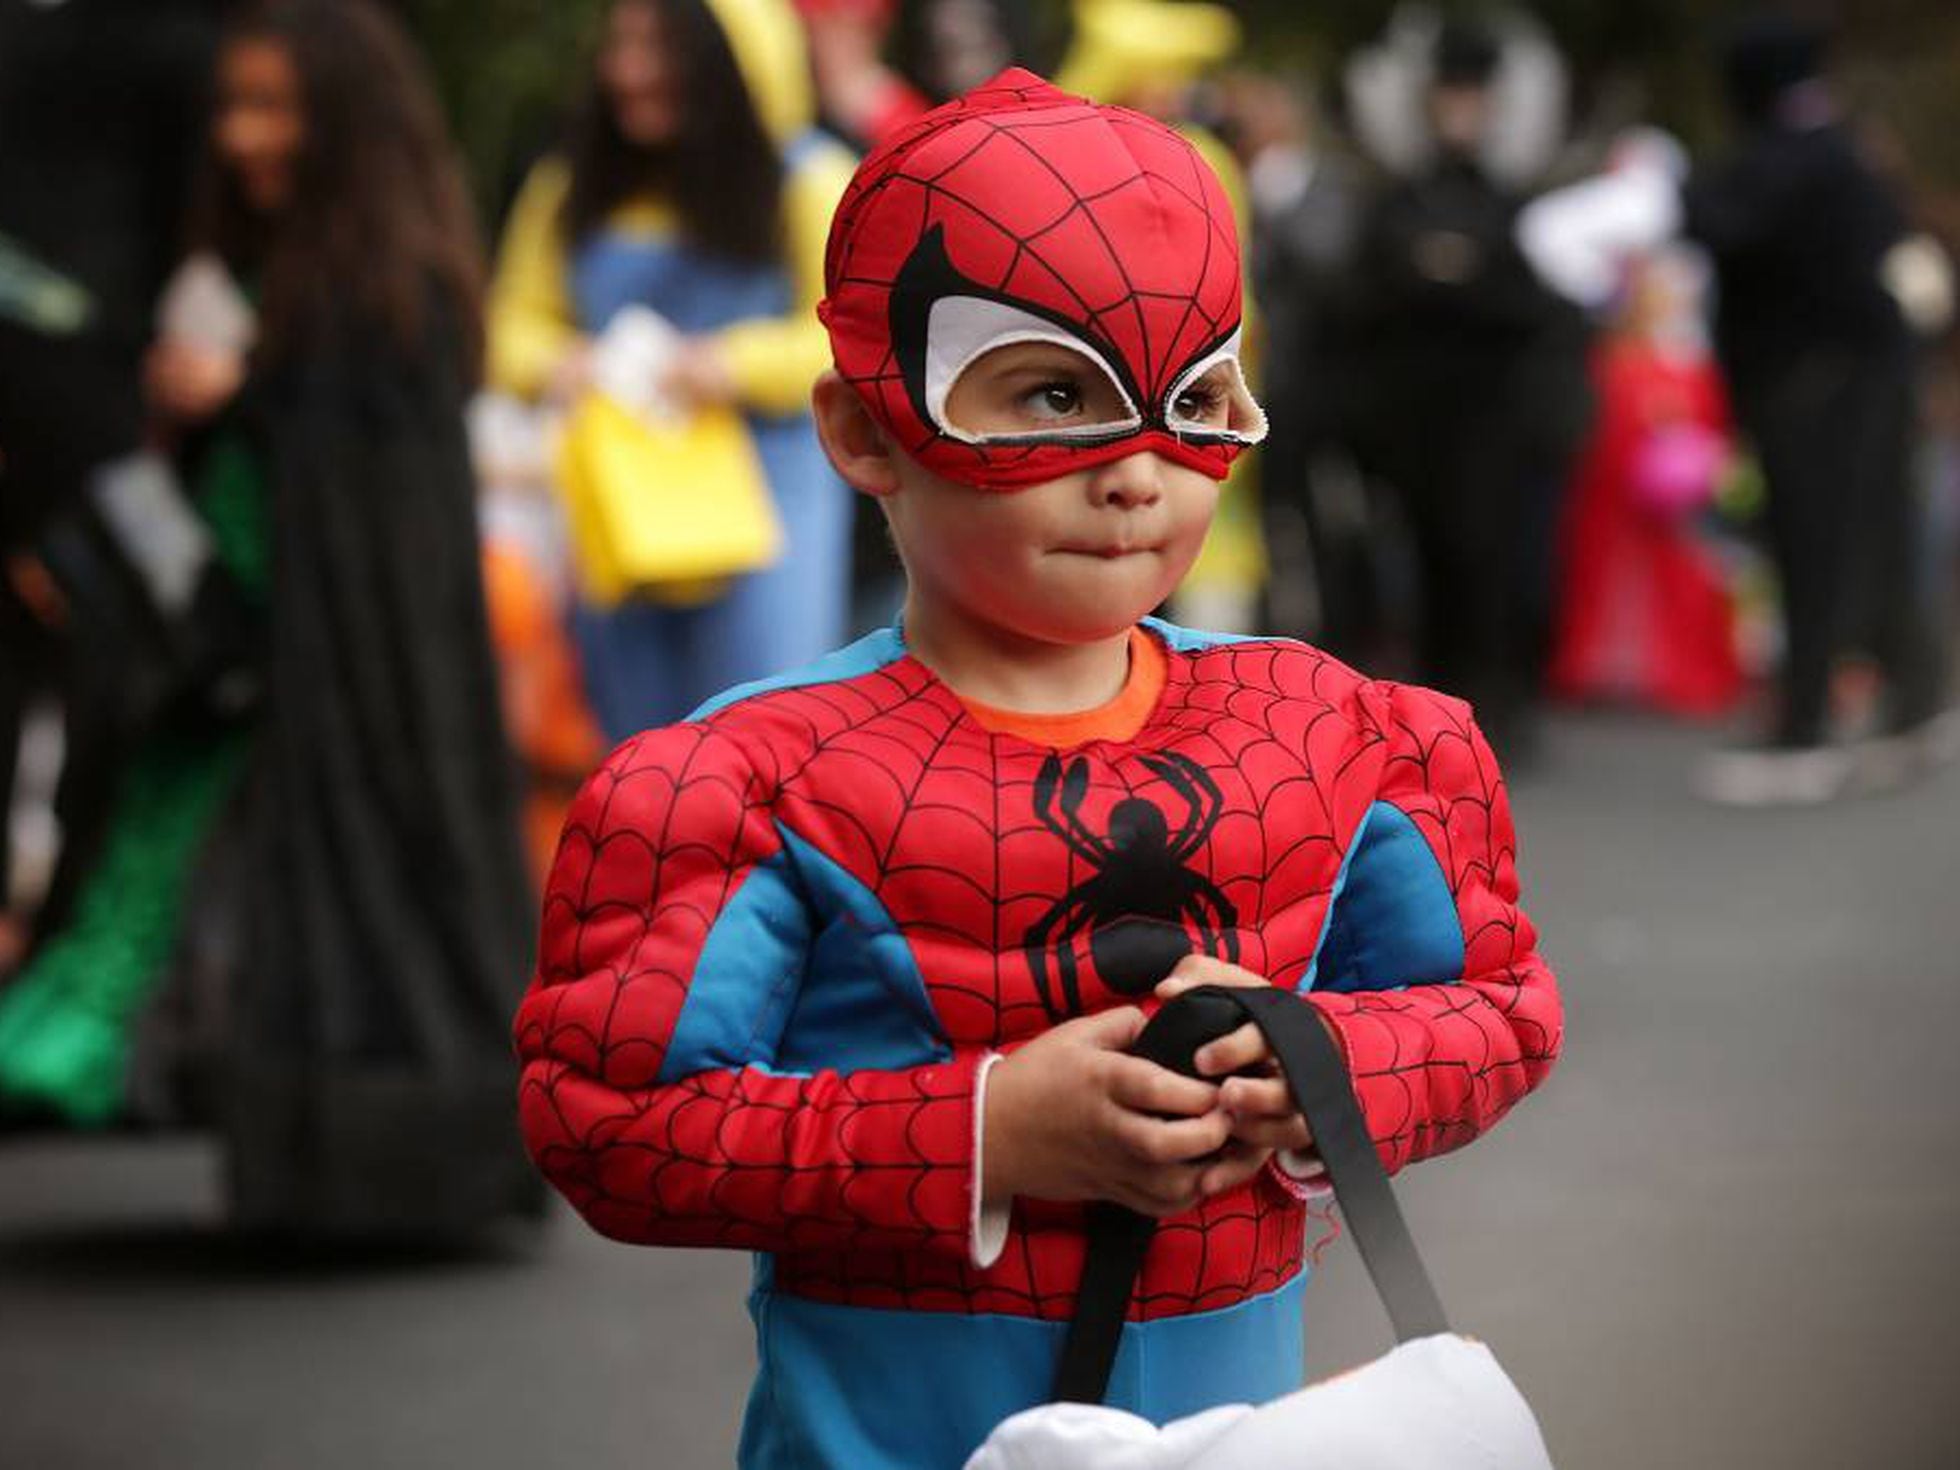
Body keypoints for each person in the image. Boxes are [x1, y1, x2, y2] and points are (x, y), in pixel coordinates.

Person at [514, 70, 1562, 1470]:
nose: (1138, 470)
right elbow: (609, 1118)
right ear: (865, 431)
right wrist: (986, 1128)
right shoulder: (745, 780)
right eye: (1056, 395)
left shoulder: (1335, 730)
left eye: (1194, 397)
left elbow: (1494, 1004)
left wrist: (1313, 1063)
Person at [0, 0, 539, 1238]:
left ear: (345, 123)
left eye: (276, 108)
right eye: (236, 107)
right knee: (190, 869)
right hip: (244, 624)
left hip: (342, 655)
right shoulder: (266, 264)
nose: (247, 137)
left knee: (352, 885)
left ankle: (387, 1161)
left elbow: (374, 479)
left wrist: (251, 391)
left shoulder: (389, 284)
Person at [487, 0, 857, 740]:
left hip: (767, 523)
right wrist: (564, 363)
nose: (630, 72)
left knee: (761, 744)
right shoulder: (570, 186)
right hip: (618, 516)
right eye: (621, 46)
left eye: (659, 49)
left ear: (736, 65)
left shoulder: (811, 182)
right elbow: (505, 330)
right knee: (636, 753)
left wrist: (730, 364)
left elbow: (856, 332)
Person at [1685, 16, 1948, 803]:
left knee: (1817, 554)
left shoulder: (1796, 161)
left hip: (1815, 390)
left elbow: (1713, 220)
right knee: (1876, 542)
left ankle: (1810, 727)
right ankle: (1910, 704)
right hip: (1857, 382)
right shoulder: (1844, 153)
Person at [1349, 20, 1590, 760]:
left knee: (1493, 562)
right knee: (1423, 564)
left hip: (1492, 425)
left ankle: (1501, 706)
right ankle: (1433, 715)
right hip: (1418, 422)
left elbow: (1541, 307)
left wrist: (1453, 279)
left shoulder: (1513, 204)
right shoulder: (1395, 201)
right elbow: (1367, 299)